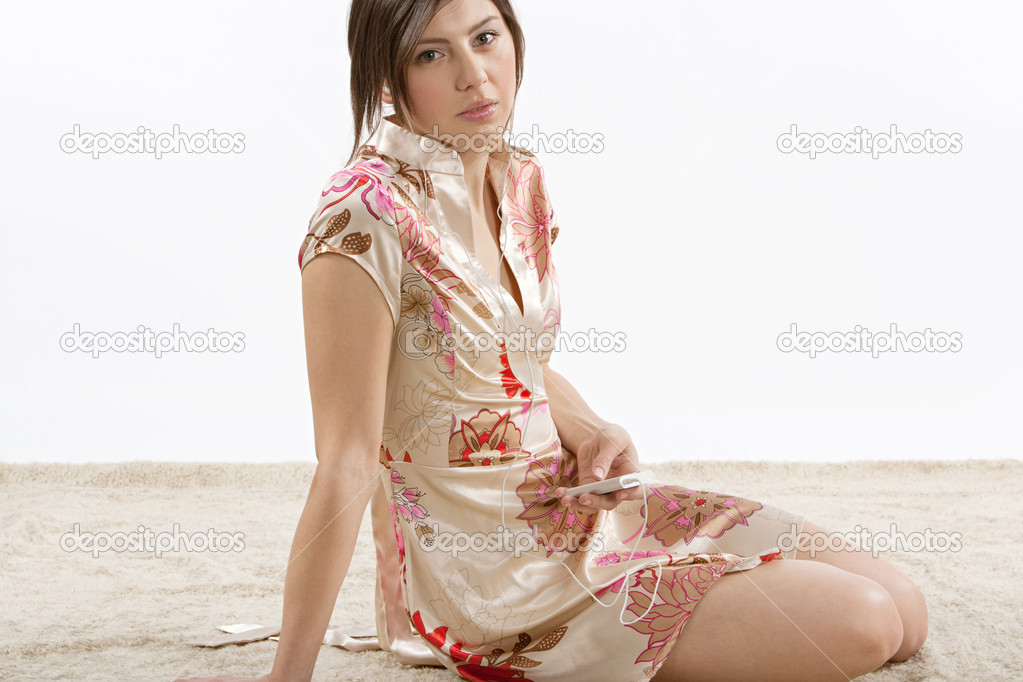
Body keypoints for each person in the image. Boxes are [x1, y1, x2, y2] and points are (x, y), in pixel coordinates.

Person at [179, 1, 927, 680]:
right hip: (492, 576)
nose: (477, 76)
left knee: (903, 612)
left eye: (485, 38)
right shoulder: (361, 216)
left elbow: (516, 363)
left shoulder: (518, 176)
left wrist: (590, 424)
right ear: (386, 75)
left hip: (572, 507)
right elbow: (344, 463)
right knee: (862, 623)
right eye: (432, 55)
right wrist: (289, 676)